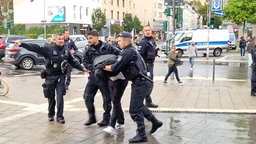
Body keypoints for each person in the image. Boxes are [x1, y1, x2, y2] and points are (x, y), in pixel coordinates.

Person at [14, 33, 88, 123]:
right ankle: (51, 114)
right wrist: (22, 44)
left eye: (62, 39)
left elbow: (73, 61)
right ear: (55, 40)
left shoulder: (66, 50)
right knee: (51, 97)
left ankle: (60, 116)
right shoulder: (49, 49)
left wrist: (82, 68)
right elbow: (35, 47)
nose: (61, 40)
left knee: (60, 96)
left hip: (61, 76)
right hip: (50, 76)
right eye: (59, 39)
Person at [104, 32, 162, 143]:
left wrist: (103, 67)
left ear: (126, 40)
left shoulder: (128, 52)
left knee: (134, 110)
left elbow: (115, 67)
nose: (118, 43)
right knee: (139, 106)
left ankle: (141, 134)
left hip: (141, 83)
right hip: (142, 82)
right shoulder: (129, 51)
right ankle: (155, 122)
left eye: (120, 41)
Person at [83, 30, 121, 127]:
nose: (89, 40)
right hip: (93, 77)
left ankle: (106, 118)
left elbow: (118, 56)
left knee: (107, 99)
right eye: (88, 38)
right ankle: (92, 117)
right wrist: (95, 68)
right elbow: (85, 62)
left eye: (91, 38)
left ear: (97, 37)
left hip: (104, 77)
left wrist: (109, 66)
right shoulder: (88, 49)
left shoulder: (108, 47)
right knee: (87, 97)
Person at [103, 37, 129, 135]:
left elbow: (116, 67)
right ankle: (121, 121)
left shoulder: (121, 52)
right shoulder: (105, 53)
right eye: (108, 41)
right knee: (115, 101)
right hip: (111, 79)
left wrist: (106, 67)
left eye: (118, 41)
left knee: (116, 101)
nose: (110, 43)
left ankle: (112, 124)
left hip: (121, 79)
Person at [136, 25, 159, 108]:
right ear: (143, 32)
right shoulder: (142, 42)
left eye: (149, 30)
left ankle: (148, 101)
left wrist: (156, 51)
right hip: (146, 66)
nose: (148, 31)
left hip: (151, 65)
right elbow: (139, 56)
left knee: (149, 84)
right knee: (148, 84)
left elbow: (152, 52)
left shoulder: (152, 40)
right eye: (146, 30)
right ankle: (141, 102)